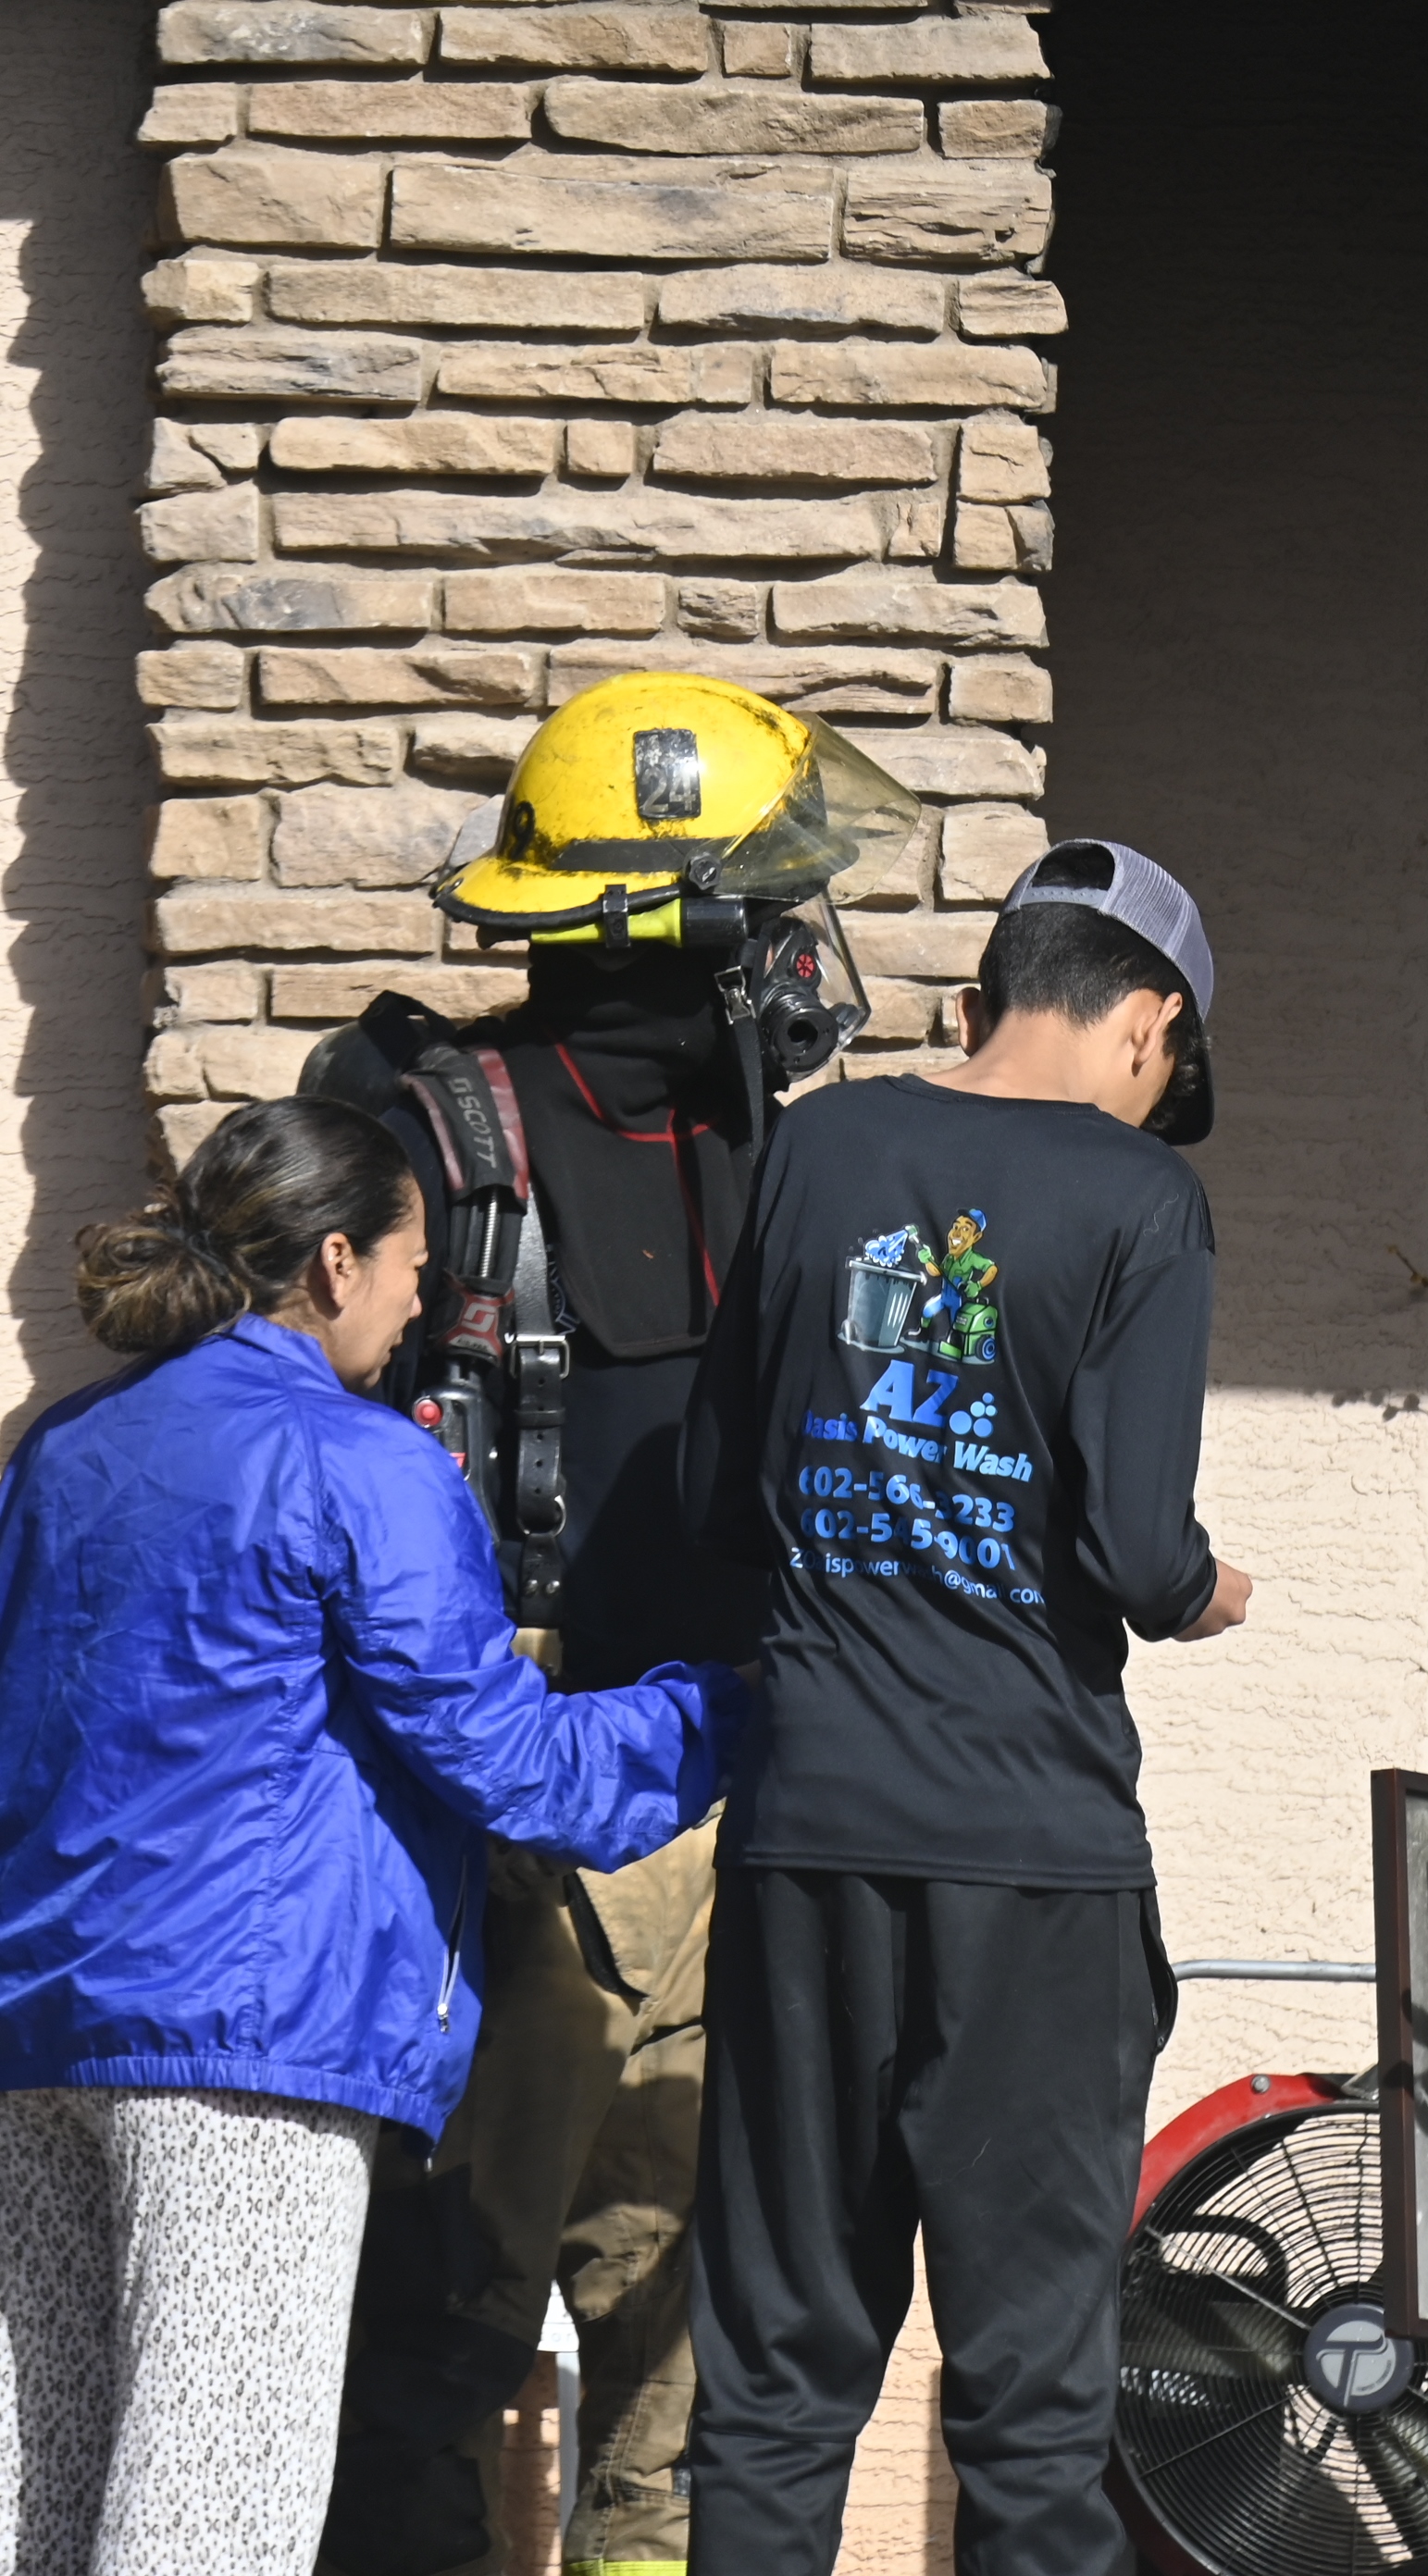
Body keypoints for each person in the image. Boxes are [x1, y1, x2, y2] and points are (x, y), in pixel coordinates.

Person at [301, 671, 918, 2576]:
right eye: (777, 907)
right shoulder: (420, 1142)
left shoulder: (801, 1159)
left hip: (744, 1811)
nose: (804, 952)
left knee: (697, 2354)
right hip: (498, 1823)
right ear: (678, 928)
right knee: (433, 2338)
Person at [0, 1098, 741, 2573]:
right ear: (335, 1261)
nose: (421, 1305)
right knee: (213, 2514)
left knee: (48, 2498)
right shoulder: (362, 1462)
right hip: (245, 2054)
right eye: (412, 1266)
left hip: (38, 2035)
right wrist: (735, 1711)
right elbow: (511, 1762)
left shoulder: (63, 1445)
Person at [677, 837, 1253, 2572]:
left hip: (810, 1830)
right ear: (1148, 1024)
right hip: (1032, 1858)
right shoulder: (1142, 1201)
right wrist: (1206, 1590)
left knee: (773, 2377)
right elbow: (1137, 1548)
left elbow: (718, 1489)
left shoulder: (819, 1145)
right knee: (1031, 2403)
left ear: (993, 988)